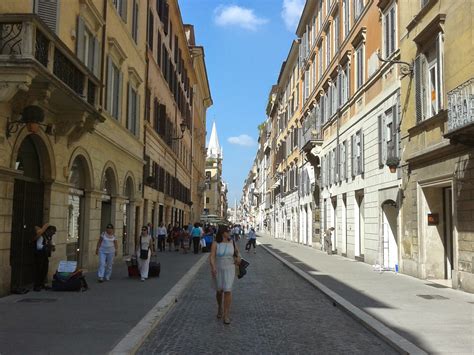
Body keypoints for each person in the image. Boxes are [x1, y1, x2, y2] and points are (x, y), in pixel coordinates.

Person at [210, 226, 241, 325]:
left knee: (228, 290)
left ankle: (226, 315)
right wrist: (213, 267)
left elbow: (237, 253)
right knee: (219, 291)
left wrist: (239, 258)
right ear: (223, 233)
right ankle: (220, 307)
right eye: (228, 231)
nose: (230, 233)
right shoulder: (216, 243)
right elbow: (212, 256)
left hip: (230, 268)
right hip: (218, 268)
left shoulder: (232, 242)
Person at [32, 223, 56, 291]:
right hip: (39, 256)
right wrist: (47, 246)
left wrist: (52, 247)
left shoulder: (48, 237)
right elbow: (38, 246)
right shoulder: (42, 236)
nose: (53, 234)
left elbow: (50, 245)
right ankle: (36, 285)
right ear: (48, 231)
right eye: (53, 232)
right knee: (39, 270)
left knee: (44, 270)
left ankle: (41, 284)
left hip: (44, 256)